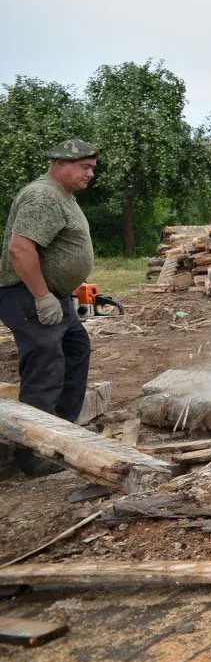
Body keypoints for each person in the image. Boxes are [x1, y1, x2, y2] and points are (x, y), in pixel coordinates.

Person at [0, 140, 98, 477]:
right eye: (84, 166)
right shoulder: (43, 196)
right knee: (46, 366)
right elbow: (20, 250)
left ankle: (62, 432)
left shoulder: (63, 196)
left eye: (92, 167)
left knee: (75, 348)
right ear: (59, 163)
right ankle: (33, 452)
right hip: (27, 295)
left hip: (53, 294)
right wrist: (42, 296)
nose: (90, 173)